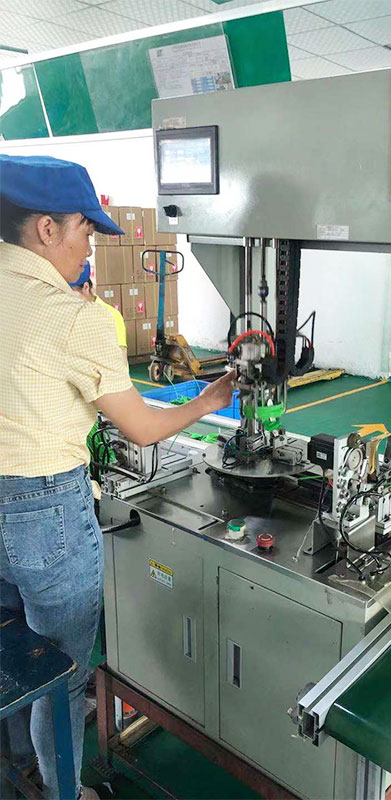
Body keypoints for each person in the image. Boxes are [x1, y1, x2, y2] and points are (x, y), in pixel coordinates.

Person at [0, 154, 234, 799]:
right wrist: (207, 402)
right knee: (62, 674)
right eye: (85, 229)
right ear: (47, 228)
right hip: (45, 512)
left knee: (14, 654)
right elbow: (142, 428)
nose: (89, 246)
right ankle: (64, 792)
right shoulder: (69, 315)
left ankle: (20, 762)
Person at [70, 260, 128, 362]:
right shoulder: (69, 314)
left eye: (71, 293)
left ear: (86, 287)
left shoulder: (111, 316)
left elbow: (121, 357)